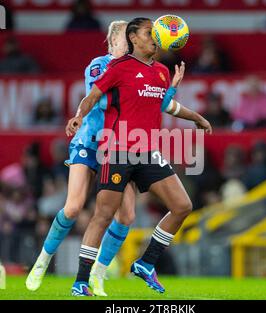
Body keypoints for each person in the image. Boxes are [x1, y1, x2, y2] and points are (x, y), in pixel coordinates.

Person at [26, 20, 187, 296]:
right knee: (74, 207)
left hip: (118, 146)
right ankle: (42, 260)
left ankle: (99, 273)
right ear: (113, 43)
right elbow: (100, 98)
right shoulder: (101, 66)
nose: (129, 44)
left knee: (126, 216)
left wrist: (162, 89)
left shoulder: (139, 69)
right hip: (91, 142)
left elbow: (152, 100)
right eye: (124, 40)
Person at [66, 17, 212, 296]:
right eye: (149, 33)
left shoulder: (161, 71)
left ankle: (146, 263)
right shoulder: (118, 68)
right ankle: (81, 280)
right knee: (104, 214)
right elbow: (93, 96)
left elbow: (166, 105)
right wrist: (78, 116)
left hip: (147, 151)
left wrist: (197, 118)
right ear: (133, 38)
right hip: (117, 148)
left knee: (182, 205)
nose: (155, 37)